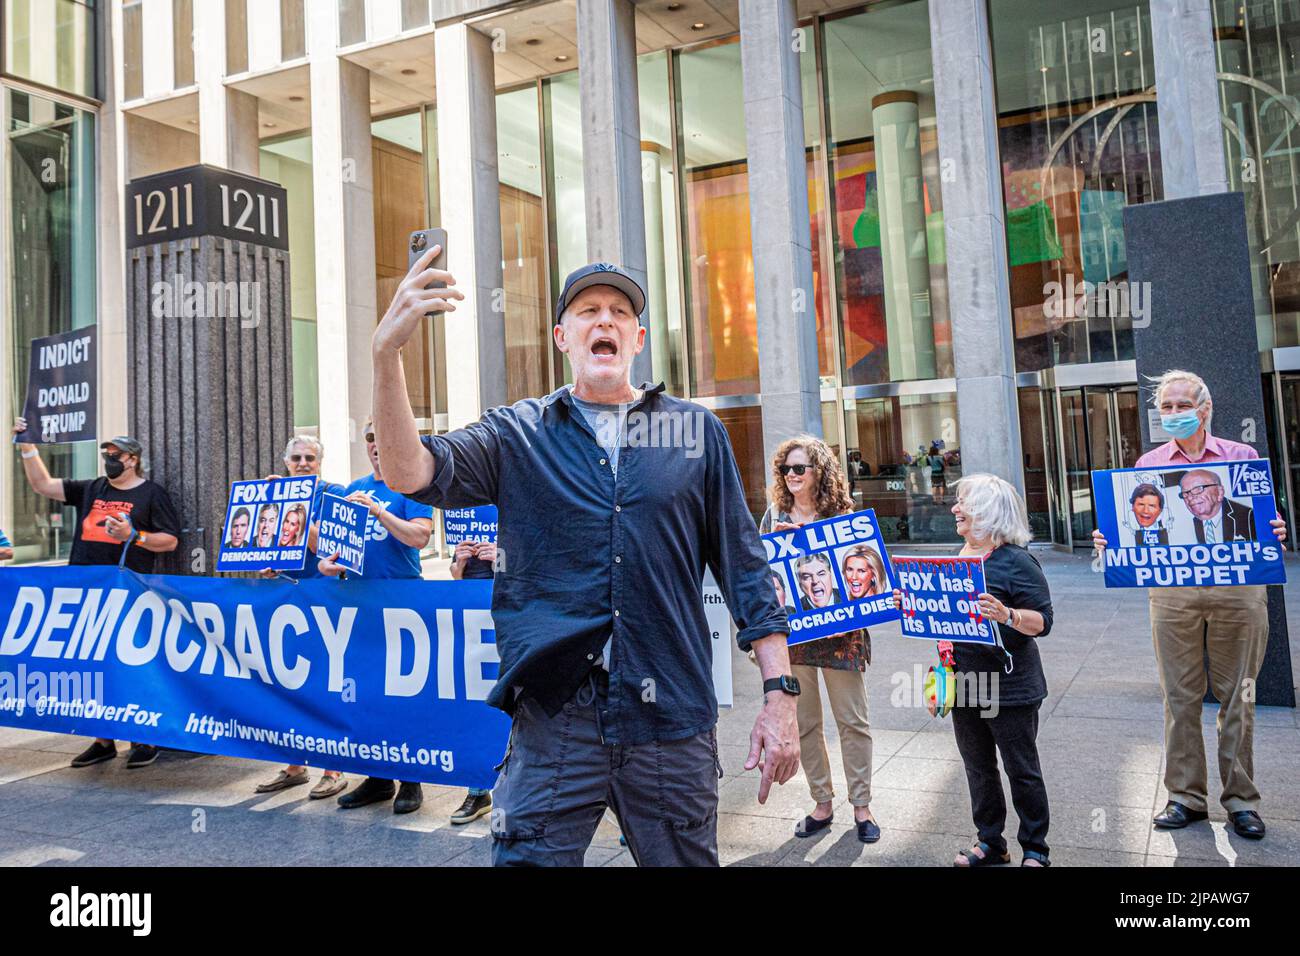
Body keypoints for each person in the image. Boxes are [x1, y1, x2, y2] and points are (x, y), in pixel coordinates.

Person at [371, 252, 798, 867]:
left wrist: (779, 695)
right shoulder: (519, 433)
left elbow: (745, 569)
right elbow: (411, 472)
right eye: (589, 311)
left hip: (670, 717)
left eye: (620, 312)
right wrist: (388, 355)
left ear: (638, 338)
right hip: (556, 721)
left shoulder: (695, 432)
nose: (607, 321)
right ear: (563, 337)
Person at [1093, 370, 1287, 840]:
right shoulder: (1148, 465)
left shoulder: (1242, 459)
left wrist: (1275, 531)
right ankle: (1185, 797)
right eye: (1167, 406)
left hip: (1238, 591)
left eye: (1183, 405)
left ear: (1205, 407)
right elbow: (1134, 527)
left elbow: (1266, 524)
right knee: (1178, 697)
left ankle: (1241, 800)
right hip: (1173, 593)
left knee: (1239, 694)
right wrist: (1110, 541)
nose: (1174, 413)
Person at [895, 473, 1054, 867]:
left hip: (1011, 686)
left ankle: (1036, 849)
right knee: (978, 768)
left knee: (1022, 770)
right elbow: (947, 623)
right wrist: (912, 603)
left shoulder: (1016, 561)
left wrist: (1009, 614)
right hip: (965, 683)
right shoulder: (958, 558)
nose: (954, 509)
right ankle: (990, 842)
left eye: (963, 502)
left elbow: (1044, 621)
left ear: (987, 511)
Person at [11, 418, 180, 769]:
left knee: (131, 664)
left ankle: (143, 738)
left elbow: (171, 540)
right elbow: (43, 485)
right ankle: (103, 739)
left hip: (128, 592)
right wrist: (27, 445)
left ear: (132, 458)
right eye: (105, 453)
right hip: (85, 590)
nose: (108, 459)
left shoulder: (150, 494)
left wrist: (135, 536)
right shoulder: (93, 488)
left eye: (115, 454)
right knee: (94, 664)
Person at [760, 435, 879, 844]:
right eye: (785, 469)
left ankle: (862, 806)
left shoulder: (843, 516)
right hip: (796, 637)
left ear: (819, 473)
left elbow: (869, 572)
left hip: (842, 634)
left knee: (853, 721)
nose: (791, 476)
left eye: (799, 468)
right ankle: (822, 803)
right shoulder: (774, 516)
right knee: (806, 722)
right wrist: (773, 544)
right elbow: (760, 573)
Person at [319, 421, 434, 815]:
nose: (374, 445)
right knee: (364, 693)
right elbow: (333, 551)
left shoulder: (412, 487)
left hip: (402, 605)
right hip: (359, 606)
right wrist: (327, 564)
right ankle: (377, 776)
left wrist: (380, 512)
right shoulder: (353, 489)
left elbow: (420, 537)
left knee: (403, 694)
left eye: (380, 436)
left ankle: (410, 781)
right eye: (369, 438)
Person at [254, 435, 348, 800]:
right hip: (285, 600)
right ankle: (294, 766)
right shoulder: (273, 496)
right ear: (286, 461)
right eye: (297, 457)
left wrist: (297, 506)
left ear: (320, 462)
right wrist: (267, 567)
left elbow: (325, 548)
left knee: (323, 685)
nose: (303, 462)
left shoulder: (333, 493)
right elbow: (268, 544)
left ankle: (333, 769)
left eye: (310, 457)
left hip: (325, 602)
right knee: (288, 683)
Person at [447, 535, 498, 826]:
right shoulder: (466, 512)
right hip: (475, 614)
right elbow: (456, 577)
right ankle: (478, 790)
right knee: (478, 700)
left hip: (514, 610)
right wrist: (460, 564)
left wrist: (501, 559)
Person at [1180, 468, 1255, 543]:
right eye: (1185, 493)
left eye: (1198, 489)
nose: (1189, 498)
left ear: (1220, 492)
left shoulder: (1250, 517)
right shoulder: (1182, 528)